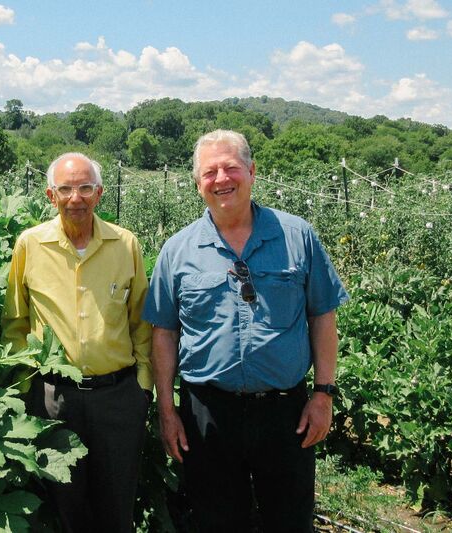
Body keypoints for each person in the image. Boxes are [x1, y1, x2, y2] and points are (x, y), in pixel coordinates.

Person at [142, 130, 349, 532]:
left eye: (231, 167)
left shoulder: (297, 237)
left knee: (289, 520)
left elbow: (322, 316)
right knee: (215, 520)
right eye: (210, 172)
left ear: (252, 172)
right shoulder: (178, 250)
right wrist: (167, 410)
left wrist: (323, 394)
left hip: (285, 412)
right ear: (197, 183)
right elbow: (164, 332)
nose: (221, 179)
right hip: (208, 413)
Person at [2, 152, 152, 533]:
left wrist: (143, 388)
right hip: (55, 399)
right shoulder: (30, 245)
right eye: (66, 189)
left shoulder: (125, 244)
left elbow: (142, 321)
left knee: (117, 509)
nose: (76, 198)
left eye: (85, 188)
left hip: (118, 398)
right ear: (51, 196)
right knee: (64, 507)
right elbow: (15, 321)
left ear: (99, 193)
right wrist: (27, 387)